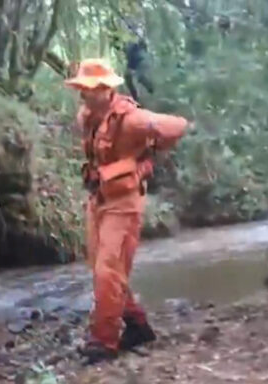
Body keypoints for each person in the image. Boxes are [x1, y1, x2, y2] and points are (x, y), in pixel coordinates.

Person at [65, 58, 190, 364]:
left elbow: (179, 126)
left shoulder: (132, 119)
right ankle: (137, 325)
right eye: (81, 88)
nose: (83, 94)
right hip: (99, 200)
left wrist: (147, 150)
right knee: (102, 270)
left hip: (124, 203)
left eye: (89, 88)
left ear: (107, 90)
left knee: (108, 270)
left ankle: (103, 342)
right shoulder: (87, 117)